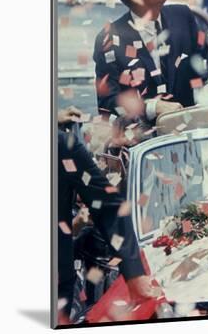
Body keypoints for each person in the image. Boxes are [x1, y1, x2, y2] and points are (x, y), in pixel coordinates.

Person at [57, 109, 159, 322]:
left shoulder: (60, 143)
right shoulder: (61, 144)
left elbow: (108, 207)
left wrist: (133, 272)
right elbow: (108, 208)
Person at [94, 0, 208, 122]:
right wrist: (152, 107)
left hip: (191, 133)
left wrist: (205, 104)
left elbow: (207, 71)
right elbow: (108, 102)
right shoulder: (109, 39)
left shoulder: (183, 16)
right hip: (141, 141)